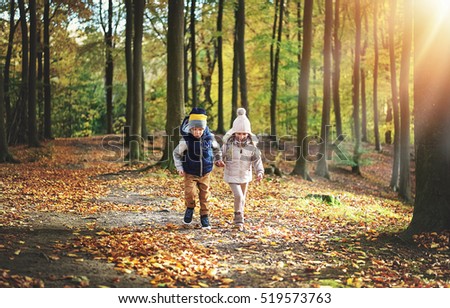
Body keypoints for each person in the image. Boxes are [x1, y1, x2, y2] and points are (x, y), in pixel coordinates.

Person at [173, 107, 224, 229]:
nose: (197, 132)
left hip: (205, 172)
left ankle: (204, 216)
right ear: (190, 129)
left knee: (204, 195)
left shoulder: (210, 138)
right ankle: (190, 207)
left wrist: (218, 159)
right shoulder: (186, 140)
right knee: (190, 192)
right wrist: (179, 167)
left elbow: (217, 149)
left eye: (200, 129)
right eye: (195, 129)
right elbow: (176, 153)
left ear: (204, 128)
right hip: (190, 171)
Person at [222, 108, 264, 230]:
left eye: (244, 134)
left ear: (248, 134)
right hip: (232, 174)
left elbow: (257, 160)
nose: (241, 136)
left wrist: (260, 171)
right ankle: (238, 219)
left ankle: (240, 218)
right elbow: (221, 155)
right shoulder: (228, 145)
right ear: (234, 132)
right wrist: (218, 161)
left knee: (243, 198)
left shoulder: (251, 147)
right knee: (239, 196)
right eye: (239, 133)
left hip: (245, 175)